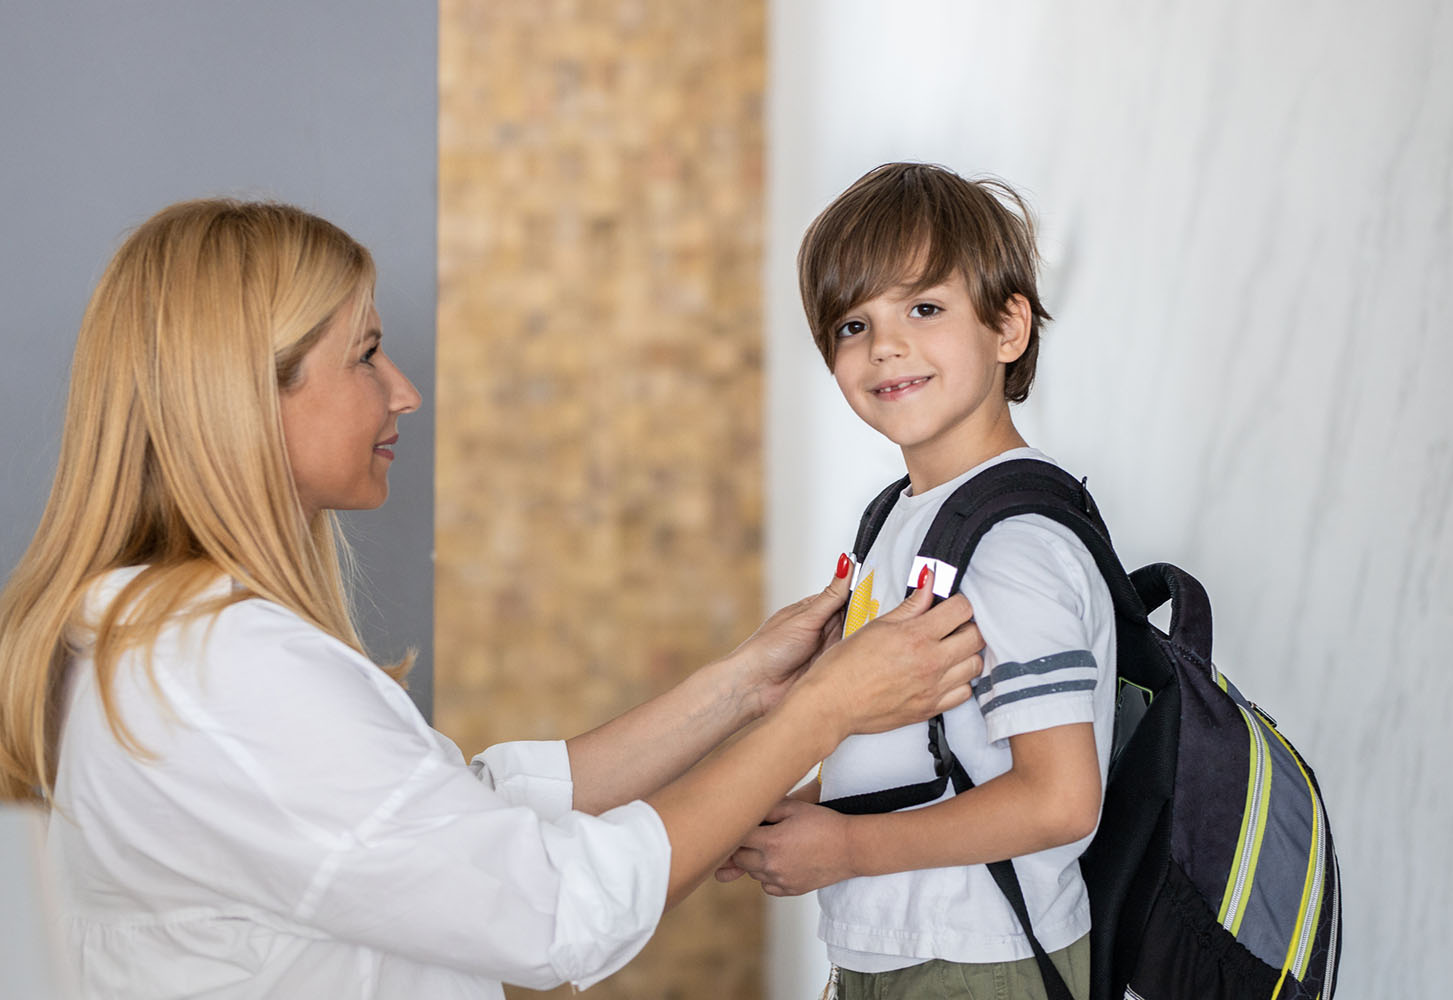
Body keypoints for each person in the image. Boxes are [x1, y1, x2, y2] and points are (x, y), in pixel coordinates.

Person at [0, 198, 986, 999]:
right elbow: (553, 912)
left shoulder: (160, 640)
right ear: (247, 396)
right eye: (366, 354)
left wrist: (746, 690)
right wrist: (824, 709)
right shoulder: (223, 671)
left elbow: (442, 820)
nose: (403, 391)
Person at [718, 163, 1117, 1000]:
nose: (884, 345)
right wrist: (794, 808)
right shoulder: (903, 515)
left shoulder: (1014, 543)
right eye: (852, 324)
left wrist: (849, 848)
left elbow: (1061, 800)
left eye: (924, 308)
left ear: (1009, 328)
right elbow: (908, 741)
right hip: (890, 952)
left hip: (983, 959)